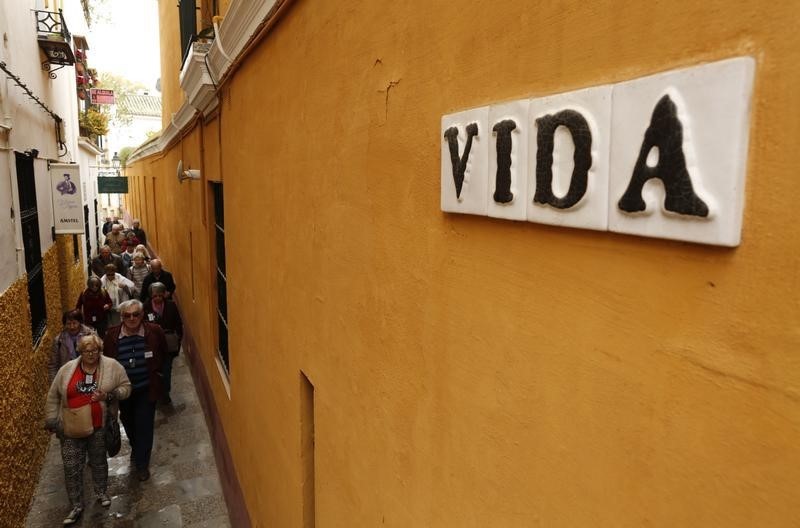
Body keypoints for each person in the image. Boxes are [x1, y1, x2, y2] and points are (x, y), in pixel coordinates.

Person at [44, 334, 131, 525]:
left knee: (98, 461)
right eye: (86, 351)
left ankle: (101, 492)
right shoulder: (67, 370)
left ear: (100, 350)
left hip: (98, 426)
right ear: (79, 352)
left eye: (95, 350)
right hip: (71, 427)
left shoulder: (112, 366)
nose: (91, 354)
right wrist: (52, 420)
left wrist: (108, 395)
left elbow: (126, 388)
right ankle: (76, 505)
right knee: (71, 466)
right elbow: (53, 395)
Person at [103, 299, 167, 481]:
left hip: (146, 389)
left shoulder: (154, 331)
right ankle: (136, 447)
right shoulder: (112, 335)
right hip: (123, 393)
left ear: (142, 315)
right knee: (129, 424)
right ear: (121, 317)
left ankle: (142, 464)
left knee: (144, 426)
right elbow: (107, 361)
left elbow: (163, 353)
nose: (132, 318)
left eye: (135, 314)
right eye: (127, 315)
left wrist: (159, 374)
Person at [144, 282, 183, 404]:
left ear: (164, 295)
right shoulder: (146, 307)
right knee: (154, 369)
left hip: (168, 344)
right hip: (153, 344)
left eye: (160, 296)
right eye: (155, 296)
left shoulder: (171, 306)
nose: (157, 298)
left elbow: (178, 323)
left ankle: (165, 392)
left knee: (167, 369)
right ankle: (156, 391)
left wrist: (178, 338)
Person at [50, 311, 96, 382]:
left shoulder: (90, 335)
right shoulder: (59, 341)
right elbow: (53, 365)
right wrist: (54, 384)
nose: (72, 327)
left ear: (80, 323)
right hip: (68, 379)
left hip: (89, 375)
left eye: (74, 323)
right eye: (68, 324)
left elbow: (99, 356)